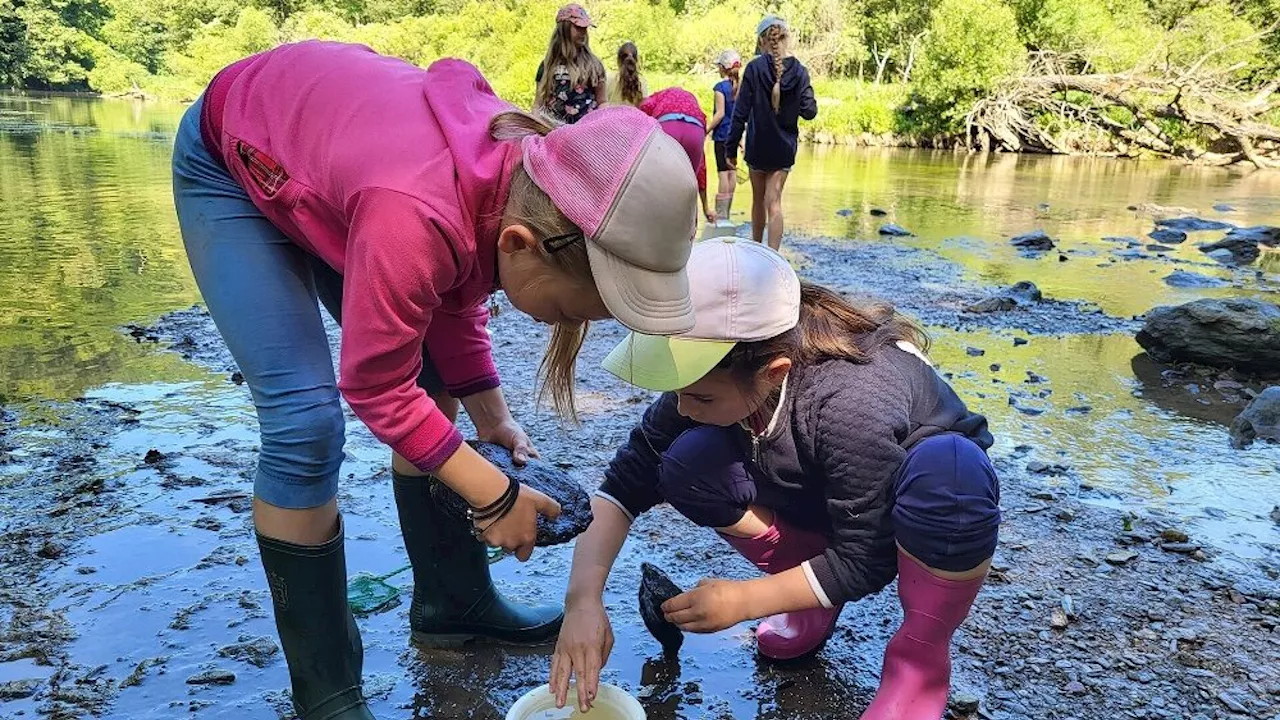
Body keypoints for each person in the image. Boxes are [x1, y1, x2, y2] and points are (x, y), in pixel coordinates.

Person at [172, 40, 699, 720]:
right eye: (570, 312)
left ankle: (454, 603)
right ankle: (326, 693)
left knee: (434, 373)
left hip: (342, 175)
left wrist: (492, 419)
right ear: (521, 245)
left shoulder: (522, 183)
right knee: (305, 424)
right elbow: (374, 385)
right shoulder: (414, 209)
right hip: (236, 162)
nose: (565, 325)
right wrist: (492, 493)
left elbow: (456, 293)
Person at [549, 239, 1000, 719]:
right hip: (823, 486)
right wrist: (582, 601)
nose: (681, 408)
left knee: (952, 476)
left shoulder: (850, 401)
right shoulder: (719, 378)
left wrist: (746, 600)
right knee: (683, 463)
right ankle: (808, 594)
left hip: (916, 502)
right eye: (675, 392)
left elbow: (866, 558)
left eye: (699, 398)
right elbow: (622, 485)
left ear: (774, 372)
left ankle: (919, 659)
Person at [726, 16, 817, 250]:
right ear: (786, 38)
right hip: (784, 147)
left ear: (762, 41)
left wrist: (730, 148)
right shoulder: (800, 71)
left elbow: (740, 112)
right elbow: (809, 112)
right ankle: (773, 256)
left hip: (758, 145)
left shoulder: (755, 68)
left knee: (758, 199)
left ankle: (756, 249)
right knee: (774, 202)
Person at [639, 87, 714, 223]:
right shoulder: (694, 104)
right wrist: (706, 207)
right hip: (695, 131)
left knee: (659, 184)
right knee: (689, 187)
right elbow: (701, 172)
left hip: (667, 126)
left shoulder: (656, 97)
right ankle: (690, 237)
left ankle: (654, 228)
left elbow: (643, 109)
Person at [534, 4, 607, 124]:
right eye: (578, 27)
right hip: (554, 133)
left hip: (586, 132)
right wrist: (535, 124)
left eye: (585, 28)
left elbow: (602, 102)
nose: (583, 31)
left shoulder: (594, 65)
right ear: (564, 29)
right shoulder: (547, 66)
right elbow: (538, 104)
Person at [705, 49, 741, 223]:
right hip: (735, 135)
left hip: (721, 136)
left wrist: (705, 130)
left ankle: (721, 214)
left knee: (723, 173)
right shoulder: (740, 87)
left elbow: (720, 114)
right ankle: (728, 211)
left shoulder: (720, 88)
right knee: (732, 172)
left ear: (723, 67)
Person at [606, 41, 647, 107]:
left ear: (618, 60)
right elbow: (644, 105)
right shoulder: (641, 81)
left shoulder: (609, 78)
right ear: (636, 60)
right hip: (634, 116)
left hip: (611, 116)